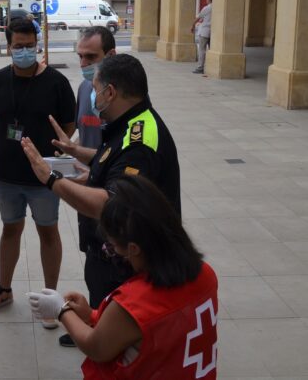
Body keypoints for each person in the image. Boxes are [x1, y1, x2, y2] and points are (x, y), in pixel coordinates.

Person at [21, 53, 181, 337]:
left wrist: (50, 178)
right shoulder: (131, 123)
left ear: (110, 92)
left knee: (112, 345)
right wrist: (76, 153)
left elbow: (112, 203)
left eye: (95, 89)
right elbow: (112, 160)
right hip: (110, 256)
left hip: (128, 263)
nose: (93, 95)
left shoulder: (140, 139)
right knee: (103, 319)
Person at [28, 175, 218, 379]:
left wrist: (61, 310)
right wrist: (91, 315)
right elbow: (151, 329)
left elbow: (96, 348)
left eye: (113, 246)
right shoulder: (205, 274)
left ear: (134, 248)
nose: (116, 253)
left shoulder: (134, 303)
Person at [0, 18, 76, 327]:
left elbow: (67, 127)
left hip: (44, 176)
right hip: (6, 173)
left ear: (38, 45)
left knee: (48, 231)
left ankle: (50, 299)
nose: (23, 51)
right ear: (8, 46)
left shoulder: (57, 82)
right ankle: (4, 290)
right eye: (17, 46)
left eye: (29, 46)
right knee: (10, 229)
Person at [58, 25, 116, 347]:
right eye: (80, 56)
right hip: (86, 185)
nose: (83, 63)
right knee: (93, 259)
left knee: (113, 263)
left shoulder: (122, 98)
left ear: (111, 56)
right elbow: (87, 133)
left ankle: (107, 332)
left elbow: (116, 150)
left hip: (109, 194)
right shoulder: (84, 89)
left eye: (91, 57)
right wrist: (70, 150)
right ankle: (95, 319)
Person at [191, 0, 212, 74]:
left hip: (204, 31)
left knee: (202, 50)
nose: (206, 0)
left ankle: (200, 67)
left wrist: (193, 25)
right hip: (213, 32)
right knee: (211, 50)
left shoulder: (207, 8)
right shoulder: (216, 8)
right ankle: (211, 66)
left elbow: (198, 17)